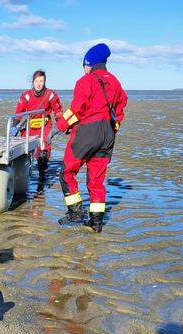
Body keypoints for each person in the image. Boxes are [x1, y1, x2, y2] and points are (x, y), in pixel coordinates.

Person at [56, 43, 128, 233]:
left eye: (84, 65)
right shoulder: (115, 81)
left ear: (89, 63)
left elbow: (76, 110)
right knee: (96, 180)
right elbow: (120, 108)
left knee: (67, 172)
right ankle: (96, 223)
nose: (84, 68)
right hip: (107, 135)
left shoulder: (84, 81)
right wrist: (114, 128)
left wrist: (62, 125)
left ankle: (75, 213)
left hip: (87, 133)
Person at [14, 70, 63, 176]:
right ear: (33, 82)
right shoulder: (26, 95)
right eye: (36, 81)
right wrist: (14, 125)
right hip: (30, 126)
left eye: (41, 81)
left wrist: (60, 124)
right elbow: (19, 113)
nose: (39, 84)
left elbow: (58, 110)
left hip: (45, 125)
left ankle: (42, 173)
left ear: (44, 82)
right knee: (24, 149)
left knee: (43, 148)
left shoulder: (50, 94)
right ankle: (24, 171)